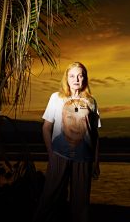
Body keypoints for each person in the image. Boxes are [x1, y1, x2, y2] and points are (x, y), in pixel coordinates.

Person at [33, 62, 101, 222]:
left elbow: (95, 135)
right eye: (72, 75)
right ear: (66, 78)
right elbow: (46, 128)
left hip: (84, 158)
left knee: (81, 203)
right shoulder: (56, 98)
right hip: (59, 155)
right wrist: (51, 154)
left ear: (84, 78)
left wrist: (96, 161)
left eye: (80, 75)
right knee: (50, 197)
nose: (76, 79)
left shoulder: (91, 102)